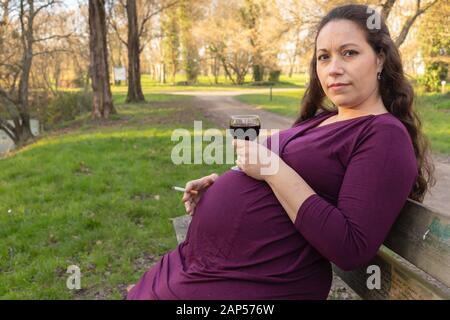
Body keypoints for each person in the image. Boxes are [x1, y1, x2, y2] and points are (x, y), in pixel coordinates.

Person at [127, 4, 435, 300]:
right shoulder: (324, 118)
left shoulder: (384, 136)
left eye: (349, 53)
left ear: (380, 59)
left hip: (253, 283)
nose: (334, 69)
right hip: (203, 266)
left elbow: (350, 247)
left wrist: (272, 169)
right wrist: (217, 187)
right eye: (323, 57)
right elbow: (277, 182)